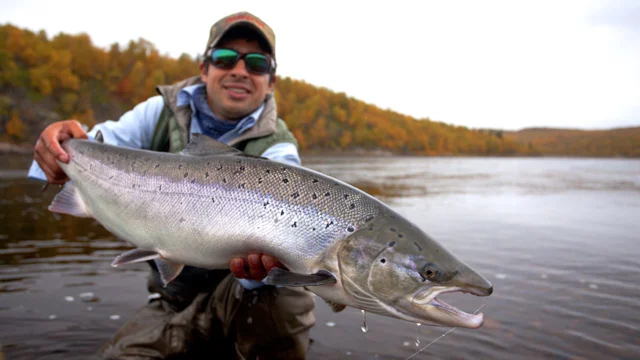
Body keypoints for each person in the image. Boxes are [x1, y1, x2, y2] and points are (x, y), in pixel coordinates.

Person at [28, 11, 316, 360]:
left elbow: (285, 250)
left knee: (290, 290)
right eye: (225, 58)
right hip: (169, 299)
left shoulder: (279, 149)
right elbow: (94, 144)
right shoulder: (158, 111)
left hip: (239, 298)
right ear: (204, 68)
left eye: (256, 63)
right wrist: (57, 146)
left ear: (270, 81)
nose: (240, 70)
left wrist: (262, 273)